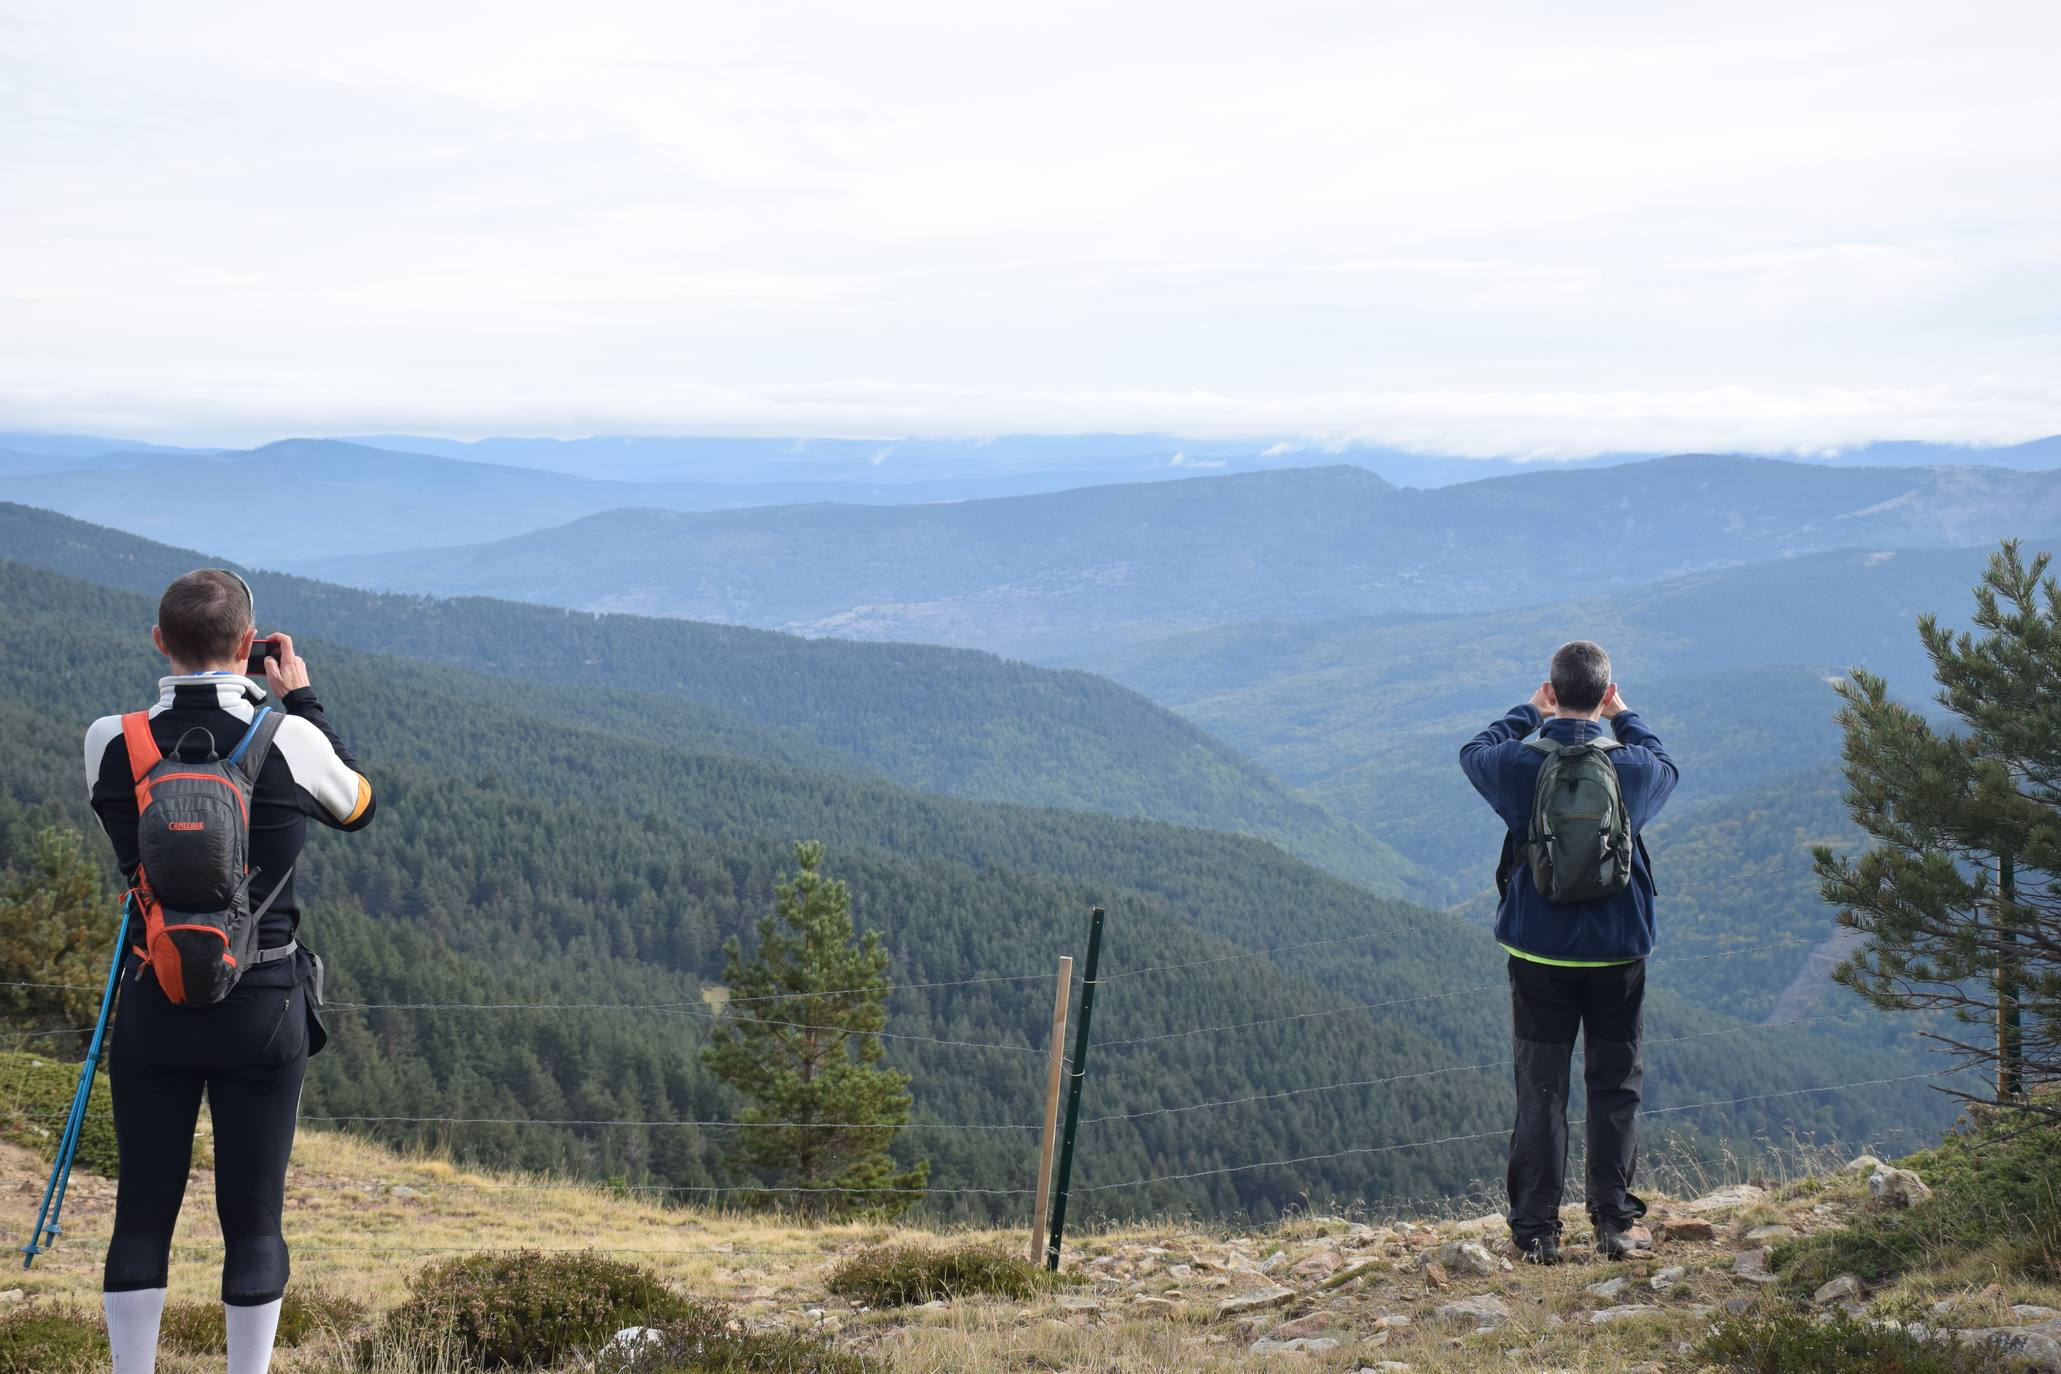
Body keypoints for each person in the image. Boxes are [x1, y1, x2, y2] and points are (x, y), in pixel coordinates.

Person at [83, 568, 374, 1374]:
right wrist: (302, 699)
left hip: (154, 1001)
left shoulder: (112, 740)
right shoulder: (289, 739)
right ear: (249, 647)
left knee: (141, 1213)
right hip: (264, 1002)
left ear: (157, 642)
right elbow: (358, 805)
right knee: (254, 1221)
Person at [1459, 640, 1677, 1265]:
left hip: (1539, 952)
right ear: (1605, 693)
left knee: (1541, 1090)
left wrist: (1528, 713)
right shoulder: (1632, 770)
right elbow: (1664, 760)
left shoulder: (1518, 766)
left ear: (1552, 689)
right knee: (1615, 1085)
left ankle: (1535, 1234)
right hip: (1617, 953)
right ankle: (1613, 1223)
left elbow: (1473, 752)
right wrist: (1623, 716)